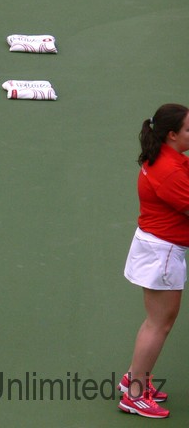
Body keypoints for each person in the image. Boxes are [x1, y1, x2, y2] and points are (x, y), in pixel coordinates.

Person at [119, 104, 189, 418]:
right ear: (172, 135)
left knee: (157, 322)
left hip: (156, 246)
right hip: (164, 253)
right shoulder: (169, 171)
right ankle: (134, 395)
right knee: (160, 324)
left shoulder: (165, 157)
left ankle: (134, 378)